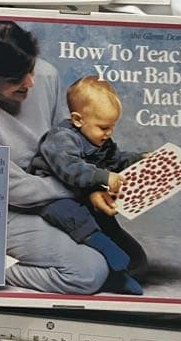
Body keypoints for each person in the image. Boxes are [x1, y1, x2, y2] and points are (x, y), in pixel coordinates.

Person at [0, 19, 146, 295]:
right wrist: (85, 188)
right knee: (88, 272)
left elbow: (64, 148)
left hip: (55, 196)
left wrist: (91, 187)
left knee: (135, 262)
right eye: (15, 79)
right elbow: (7, 188)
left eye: (30, 69)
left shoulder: (45, 75)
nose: (30, 82)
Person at [29, 75, 145, 294]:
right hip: (51, 195)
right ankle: (107, 254)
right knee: (70, 212)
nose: (109, 133)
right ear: (78, 120)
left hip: (82, 194)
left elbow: (116, 160)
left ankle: (119, 263)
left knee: (108, 223)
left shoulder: (100, 139)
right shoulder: (61, 138)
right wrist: (104, 177)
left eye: (112, 127)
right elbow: (71, 169)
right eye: (103, 127)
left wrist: (139, 159)